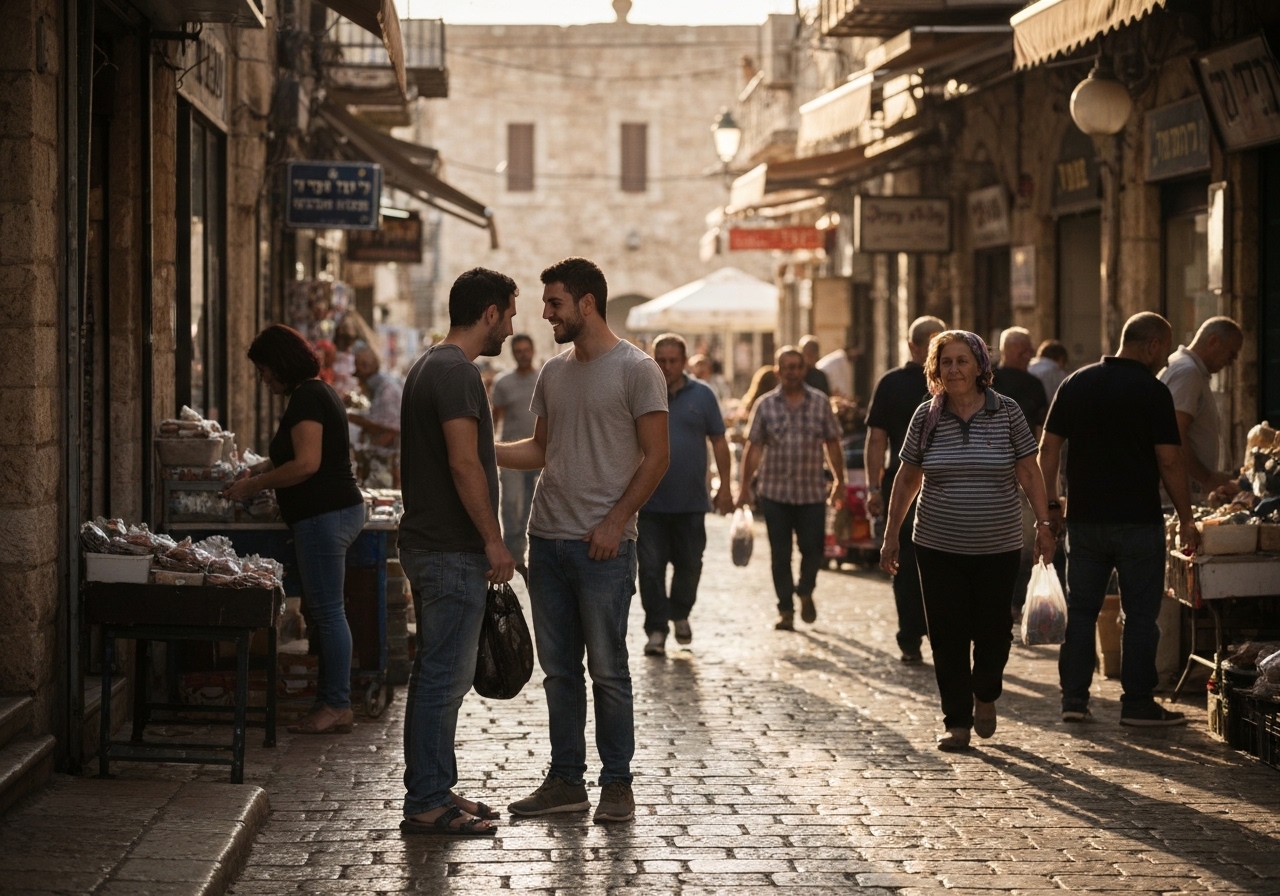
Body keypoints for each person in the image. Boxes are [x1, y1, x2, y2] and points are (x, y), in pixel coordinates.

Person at [497, 257, 669, 825]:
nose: (547, 314)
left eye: (555, 303)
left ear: (587, 303)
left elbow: (657, 457)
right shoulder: (553, 372)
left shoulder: (637, 370)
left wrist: (617, 522)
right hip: (547, 541)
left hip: (603, 548)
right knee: (560, 673)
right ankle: (566, 781)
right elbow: (540, 450)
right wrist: (482, 452)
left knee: (609, 672)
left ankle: (617, 784)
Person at [880, 330, 1055, 752]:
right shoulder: (926, 416)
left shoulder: (1006, 411)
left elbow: (1029, 471)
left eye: (962, 361)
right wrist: (891, 535)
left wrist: (1045, 524)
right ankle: (956, 721)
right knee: (947, 634)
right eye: (946, 362)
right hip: (937, 545)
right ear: (935, 369)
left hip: (997, 545)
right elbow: (907, 478)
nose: (954, 369)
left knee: (994, 631)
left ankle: (985, 692)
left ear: (980, 367)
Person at [397, 267, 517, 836]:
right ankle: (426, 800)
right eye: (509, 314)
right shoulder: (458, 373)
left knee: (436, 676)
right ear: (489, 313)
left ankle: (435, 787)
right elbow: (464, 462)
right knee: (443, 680)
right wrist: (493, 539)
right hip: (450, 550)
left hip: (432, 545)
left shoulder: (430, 364)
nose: (510, 327)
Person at [1040, 312, 1201, 728]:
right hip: (1138, 522)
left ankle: (1074, 700)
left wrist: (1051, 505)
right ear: (1151, 345)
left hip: (1085, 522)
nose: (1163, 359)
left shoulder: (1076, 383)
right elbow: (1169, 459)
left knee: (1081, 612)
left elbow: (1048, 449)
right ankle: (1137, 704)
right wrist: (1186, 517)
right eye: (1163, 350)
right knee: (1140, 617)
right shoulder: (1153, 391)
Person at [224, 325, 366, 736]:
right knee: (324, 613)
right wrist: (262, 467)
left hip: (325, 515)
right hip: (329, 513)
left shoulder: (307, 398)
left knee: (328, 612)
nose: (263, 380)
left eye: (265, 371)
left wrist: (254, 485)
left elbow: (306, 464)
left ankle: (336, 705)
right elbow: (298, 454)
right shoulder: (316, 393)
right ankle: (331, 702)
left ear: (281, 364)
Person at [737, 346, 845, 632]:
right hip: (775, 493)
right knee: (780, 554)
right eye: (787, 367)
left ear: (804, 369)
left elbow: (833, 443)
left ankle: (805, 589)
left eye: (797, 367)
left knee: (813, 550)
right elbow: (753, 447)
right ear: (778, 371)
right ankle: (785, 609)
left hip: (811, 492)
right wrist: (744, 487)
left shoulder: (820, 402)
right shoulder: (765, 405)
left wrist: (839, 481)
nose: (792, 372)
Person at [639, 334, 734, 656]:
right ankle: (656, 629)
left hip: (691, 501)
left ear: (684, 361)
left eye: (673, 361)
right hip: (648, 501)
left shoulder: (703, 395)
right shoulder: (641, 392)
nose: (666, 367)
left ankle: (679, 613)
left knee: (690, 565)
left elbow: (719, 441)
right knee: (650, 569)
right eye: (661, 360)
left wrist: (726, 487)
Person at [865, 315, 946, 664]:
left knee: (906, 561)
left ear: (910, 345)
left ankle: (910, 636)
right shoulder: (953, 381)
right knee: (941, 560)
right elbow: (876, 438)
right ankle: (938, 634)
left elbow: (876, 440)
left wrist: (873, 486)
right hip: (942, 483)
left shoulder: (892, 383)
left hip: (903, 483)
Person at [1159, 316, 1244, 496]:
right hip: (1179, 494)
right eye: (1231, 354)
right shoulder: (1187, 372)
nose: (1233, 361)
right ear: (1213, 341)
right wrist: (1207, 479)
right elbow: (1174, 435)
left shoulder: (1187, 367)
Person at [490, 334, 540, 578]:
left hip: (541, 453)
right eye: (518, 351)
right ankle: (514, 559)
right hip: (511, 455)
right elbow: (495, 418)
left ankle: (536, 559)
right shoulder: (503, 382)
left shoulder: (543, 378)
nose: (523, 354)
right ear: (512, 353)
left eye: (526, 350)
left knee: (536, 507)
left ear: (533, 351)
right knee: (511, 505)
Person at [347, 342, 402, 488]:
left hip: (388, 465)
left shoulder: (387, 390)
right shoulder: (378, 388)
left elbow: (392, 428)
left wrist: (369, 451)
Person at [991, 327, 1048, 435]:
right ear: (1006, 351)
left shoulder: (1034, 383)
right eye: (1022, 352)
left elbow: (1042, 421)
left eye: (1030, 351)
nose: (1028, 356)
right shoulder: (989, 380)